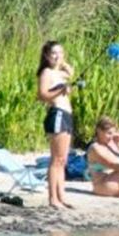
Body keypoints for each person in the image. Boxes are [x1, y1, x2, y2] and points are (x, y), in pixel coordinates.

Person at [36, 40, 76, 210]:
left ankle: (61, 196)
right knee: (56, 159)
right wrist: (61, 89)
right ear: (46, 55)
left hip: (67, 115)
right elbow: (42, 95)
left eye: (60, 52)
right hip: (57, 113)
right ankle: (53, 198)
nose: (57, 56)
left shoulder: (59, 72)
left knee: (63, 160)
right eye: (53, 53)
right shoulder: (46, 72)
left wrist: (62, 62)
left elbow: (70, 73)